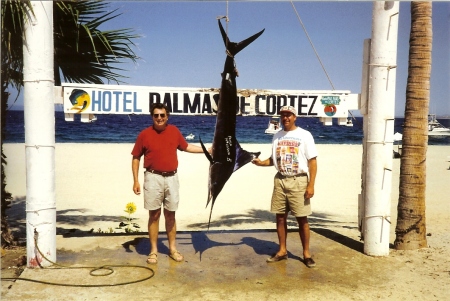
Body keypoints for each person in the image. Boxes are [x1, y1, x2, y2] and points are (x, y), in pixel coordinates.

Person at [131, 103, 206, 264]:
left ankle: (172, 248)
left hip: (172, 178)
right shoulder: (144, 134)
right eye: (156, 115)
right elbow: (136, 157)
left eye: (162, 115)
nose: (159, 118)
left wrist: (208, 150)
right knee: (154, 215)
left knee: (170, 215)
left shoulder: (174, 131)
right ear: (152, 117)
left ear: (167, 116)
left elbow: (186, 147)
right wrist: (136, 180)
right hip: (152, 178)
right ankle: (153, 251)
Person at [252, 105, 318, 268]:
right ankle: (282, 251)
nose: (285, 118)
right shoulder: (277, 136)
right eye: (283, 115)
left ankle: (306, 253)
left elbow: (312, 162)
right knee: (280, 217)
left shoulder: (305, 135)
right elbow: (274, 160)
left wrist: (311, 185)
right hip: (280, 180)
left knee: (302, 219)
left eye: (289, 115)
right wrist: (261, 163)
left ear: (295, 117)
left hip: (299, 181)